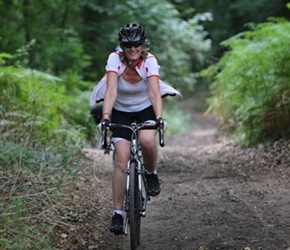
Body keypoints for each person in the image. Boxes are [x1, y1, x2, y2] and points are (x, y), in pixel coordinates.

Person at [89, 23, 182, 234]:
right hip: (121, 110)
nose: (132, 49)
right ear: (122, 46)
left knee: (147, 140)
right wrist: (105, 116)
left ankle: (151, 173)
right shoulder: (115, 59)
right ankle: (117, 214)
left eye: (137, 44)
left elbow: (154, 92)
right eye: (128, 45)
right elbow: (111, 90)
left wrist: (158, 118)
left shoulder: (149, 61)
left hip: (145, 109)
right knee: (121, 159)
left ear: (143, 45)